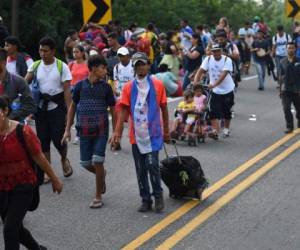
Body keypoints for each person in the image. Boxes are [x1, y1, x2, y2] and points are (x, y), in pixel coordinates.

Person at [0, 95, 63, 250]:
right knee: (16, 229)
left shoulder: (23, 132)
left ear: (5, 111)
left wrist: (55, 178)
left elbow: (39, 157)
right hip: (2, 187)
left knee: (9, 229)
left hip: (24, 185)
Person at [110, 52, 170, 213]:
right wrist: (117, 132)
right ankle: (145, 199)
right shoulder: (129, 87)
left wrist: (167, 131)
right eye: (137, 65)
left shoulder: (157, 84)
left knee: (152, 165)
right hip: (136, 134)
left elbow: (164, 108)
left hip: (154, 133)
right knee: (140, 168)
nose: (141, 67)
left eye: (143, 64)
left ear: (148, 65)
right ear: (134, 67)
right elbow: (122, 110)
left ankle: (158, 196)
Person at [62, 55, 115, 208]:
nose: (105, 71)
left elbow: (113, 108)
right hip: (83, 129)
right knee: (85, 163)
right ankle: (101, 174)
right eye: (102, 68)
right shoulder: (79, 86)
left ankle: (98, 196)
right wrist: (67, 129)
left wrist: (116, 131)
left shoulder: (106, 87)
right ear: (92, 69)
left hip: (101, 130)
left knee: (98, 161)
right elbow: (73, 107)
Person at [25, 37, 73, 183]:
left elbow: (67, 92)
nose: (42, 53)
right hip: (40, 108)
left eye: (45, 51)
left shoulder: (61, 66)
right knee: (43, 140)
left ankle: (64, 159)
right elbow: (23, 82)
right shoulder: (35, 65)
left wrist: (69, 113)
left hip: (57, 108)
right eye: (40, 50)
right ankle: (48, 171)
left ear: (53, 51)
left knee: (58, 140)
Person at [194, 43, 235, 138]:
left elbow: (223, 75)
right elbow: (200, 71)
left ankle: (226, 129)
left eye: (218, 51)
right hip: (215, 91)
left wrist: (214, 85)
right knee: (212, 111)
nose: (216, 53)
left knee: (226, 112)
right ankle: (215, 131)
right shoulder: (208, 59)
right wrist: (196, 82)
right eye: (214, 51)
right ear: (212, 52)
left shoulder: (226, 60)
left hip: (227, 90)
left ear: (221, 51)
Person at [0, 48, 35, 122]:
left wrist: (9, 117)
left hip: (12, 127)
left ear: (4, 62)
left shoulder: (18, 81)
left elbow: (30, 105)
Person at [111, 47, 135, 150]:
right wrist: (116, 89)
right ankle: (117, 141)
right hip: (121, 97)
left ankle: (137, 141)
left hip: (134, 96)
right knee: (119, 120)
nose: (121, 58)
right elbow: (115, 80)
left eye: (123, 56)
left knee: (135, 120)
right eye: (119, 56)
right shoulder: (116, 67)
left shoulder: (134, 66)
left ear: (128, 56)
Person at [279, 42, 300, 134]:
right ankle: (289, 127)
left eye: (292, 48)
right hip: (285, 89)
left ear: (295, 49)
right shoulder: (282, 61)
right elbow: (280, 77)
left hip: (297, 89)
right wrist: (280, 90)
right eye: (289, 48)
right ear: (286, 49)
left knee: (299, 109)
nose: (290, 50)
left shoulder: (299, 61)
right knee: (286, 108)